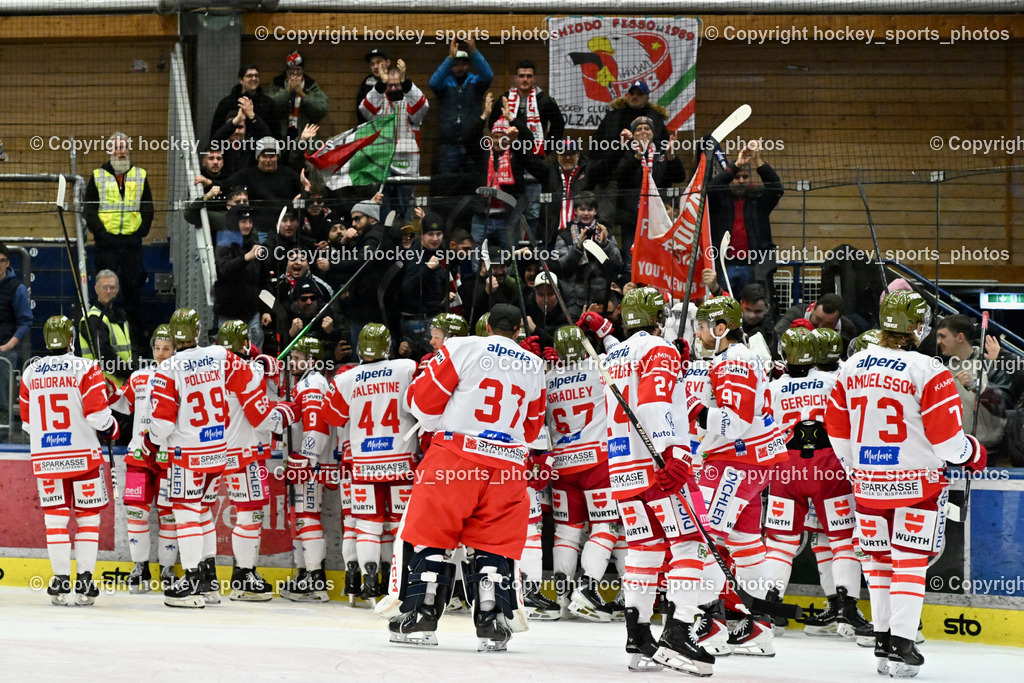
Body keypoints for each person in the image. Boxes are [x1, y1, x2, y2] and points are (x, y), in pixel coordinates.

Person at [825, 291, 987, 677]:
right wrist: (974, 453)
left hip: (868, 488)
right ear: (919, 326)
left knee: (878, 565)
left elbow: (835, 427)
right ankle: (902, 643)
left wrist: (856, 467)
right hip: (917, 487)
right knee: (909, 565)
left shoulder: (852, 366)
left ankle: (882, 643)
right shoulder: (929, 370)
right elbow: (949, 443)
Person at [385, 303, 546, 651]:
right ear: (519, 330)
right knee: (494, 544)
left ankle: (420, 617)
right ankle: (492, 619)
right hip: (509, 466)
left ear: (487, 325)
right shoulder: (534, 364)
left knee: (431, 534)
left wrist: (434, 426)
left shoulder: (463, 345)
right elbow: (532, 429)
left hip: (456, 456)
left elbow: (423, 403)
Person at [603, 287, 719, 674]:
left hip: (622, 468)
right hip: (657, 467)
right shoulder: (659, 349)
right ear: (659, 315)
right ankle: (679, 633)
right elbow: (654, 402)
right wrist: (674, 451)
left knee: (644, 550)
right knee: (690, 544)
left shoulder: (613, 353)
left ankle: (638, 638)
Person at [146, 308, 278, 608]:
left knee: (187, 512)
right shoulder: (220, 355)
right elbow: (248, 382)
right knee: (202, 510)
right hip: (218, 451)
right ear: (197, 331)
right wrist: (261, 365)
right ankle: (207, 581)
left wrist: (152, 440)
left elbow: (163, 423)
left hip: (187, 453)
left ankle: (193, 578)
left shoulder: (168, 368)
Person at [692, 295, 788, 656]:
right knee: (746, 547)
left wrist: (697, 410)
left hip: (735, 462)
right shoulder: (734, 358)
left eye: (702, 327)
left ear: (720, 329)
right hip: (751, 462)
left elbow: (734, 422)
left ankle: (709, 626)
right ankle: (759, 629)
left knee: (708, 540)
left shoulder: (734, 362)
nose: (698, 333)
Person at [763, 327, 866, 636]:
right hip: (829, 465)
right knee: (842, 541)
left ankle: (771, 612)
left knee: (780, 544)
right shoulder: (833, 381)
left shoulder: (772, 388)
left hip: (786, 466)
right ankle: (845, 611)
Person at [20, 315, 119, 605]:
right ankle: (85, 581)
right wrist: (112, 427)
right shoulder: (87, 367)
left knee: (55, 521)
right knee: (88, 520)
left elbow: (27, 423)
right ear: (71, 339)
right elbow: (98, 417)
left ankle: (61, 581)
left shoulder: (30, 372)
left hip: (47, 458)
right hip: (83, 458)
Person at [324, 323, 418, 602]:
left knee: (367, 525)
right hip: (401, 462)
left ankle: (367, 585)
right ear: (387, 345)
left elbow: (333, 418)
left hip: (363, 464)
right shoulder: (408, 368)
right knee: (398, 525)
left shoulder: (345, 379)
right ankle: (397, 582)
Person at [545, 325, 624, 622]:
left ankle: (562, 599)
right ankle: (587, 591)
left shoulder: (548, 377)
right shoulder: (599, 369)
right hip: (597, 461)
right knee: (606, 525)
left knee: (566, 533)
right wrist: (605, 332)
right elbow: (624, 356)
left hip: (562, 464)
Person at [217, 320, 294, 601]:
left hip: (216, 451)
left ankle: (217, 573)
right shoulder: (247, 371)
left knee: (202, 517)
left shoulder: (211, 367)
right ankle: (243, 575)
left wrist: (260, 363)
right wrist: (287, 412)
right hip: (243, 452)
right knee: (251, 515)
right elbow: (260, 417)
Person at [111, 324, 178, 592]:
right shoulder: (139, 377)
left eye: (167, 349)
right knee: (136, 514)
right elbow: (122, 404)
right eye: (157, 349)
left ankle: (168, 569)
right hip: (139, 456)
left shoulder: (182, 376)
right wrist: (105, 389)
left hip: (168, 459)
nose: (161, 354)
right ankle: (140, 569)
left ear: (175, 349)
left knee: (169, 516)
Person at [279, 336, 336, 603]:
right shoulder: (306, 382)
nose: (293, 362)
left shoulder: (312, 383)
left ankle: (316, 578)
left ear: (312, 361)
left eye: (298, 358)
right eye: (292, 357)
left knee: (306, 517)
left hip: (310, 464)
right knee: (299, 518)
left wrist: (307, 457)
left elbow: (317, 426)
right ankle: (305, 573)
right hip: (304, 461)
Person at [83, 132, 153, 342]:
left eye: (124, 147)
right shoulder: (97, 176)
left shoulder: (140, 175)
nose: (121, 151)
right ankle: (102, 337)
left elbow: (148, 208)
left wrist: (140, 233)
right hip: (106, 245)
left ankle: (135, 342)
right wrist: (101, 235)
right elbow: (89, 210)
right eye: (117, 147)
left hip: (132, 245)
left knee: (133, 292)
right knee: (106, 291)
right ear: (109, 151)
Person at [707, 140, 783, 295]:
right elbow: (709, 189)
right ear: (730, 179)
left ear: (750, 178)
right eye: (737, 177)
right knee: (723, 305)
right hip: (724, 265)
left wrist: (759, 161)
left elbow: (776, 187)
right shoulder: (719, 199)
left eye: (745, 177)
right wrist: (734, 166)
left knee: (751, 306)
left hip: (753, 265)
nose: (741, 181)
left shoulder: (759, 200)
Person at [360, 60, 430, 221]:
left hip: (407, 162)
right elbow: (364, 108)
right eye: (389, 85)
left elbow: (423, 106)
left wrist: (406, 82)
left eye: (397, 85)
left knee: (405, 206)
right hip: (383, 160)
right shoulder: (380, 101)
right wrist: (380, 84)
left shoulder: (410, 101)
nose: (393, 88)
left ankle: (405, 240)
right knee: (383, 204)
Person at [935, 314, 1012, 450]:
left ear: (960, 337)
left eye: (943, 336)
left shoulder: (991, 365)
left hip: (989, 451)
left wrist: (975, 386)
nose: (938, 342)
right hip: (953, 450)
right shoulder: (942, 371)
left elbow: (1005, 405)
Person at [429, 39, 493, 176]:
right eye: (456, 64)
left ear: (468, 66)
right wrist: (450, 58)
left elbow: (488, 76)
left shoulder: (475, 83)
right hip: (448, 145)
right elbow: (433, 82)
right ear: (452, 66)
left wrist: (474, 53)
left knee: (474, 188)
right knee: (447, 186)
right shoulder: (444, 84)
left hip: (473, 145)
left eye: (463, 64)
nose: (460, 67)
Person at [549, 191, 623, 309]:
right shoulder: (565, 235)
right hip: (575, 296)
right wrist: (577, 247)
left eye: (590, 209)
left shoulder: (604, 232)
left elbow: (618, 264)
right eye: (582, 209)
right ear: (575, 211)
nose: (586, 213)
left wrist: (605, 244)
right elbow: (562, 268)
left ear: (595, 211)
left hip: (602, 294)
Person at [214, 205, 269, 351]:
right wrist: (246, 258)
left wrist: (267, 310)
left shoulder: (255, 246)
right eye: (243, 221)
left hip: (252, 312)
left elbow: (264, 281)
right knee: (228, 354)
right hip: (229, 313)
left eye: (250, 222)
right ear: (234, 222)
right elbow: (224, 269)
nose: (248, 225)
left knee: (255, 351)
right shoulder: (224, 244)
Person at [79, 270, 135, 386]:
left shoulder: (121, 318)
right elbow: (104, 355)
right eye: (105, 287)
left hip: (122, 386)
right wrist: (130, 373)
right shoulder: (92, 319)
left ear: (118, 290)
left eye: (113, 287)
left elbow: (131, 349)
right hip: (101, 386)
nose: (109, 291)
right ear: (96, 289)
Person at [0, 242, 31, 430]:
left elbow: (25, 322)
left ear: (7, 263)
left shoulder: (16, 288)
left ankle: (3, 412)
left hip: (5, 346)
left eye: (1, 261)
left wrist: (7, 346)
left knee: (3, 361)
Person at [266, 51, 328, 142]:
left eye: (298, 69)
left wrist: (302, 94)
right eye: (292, 69)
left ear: (303, 70)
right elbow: (269, 107)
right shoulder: (277, 84)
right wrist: (287, 91)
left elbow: (321, 109)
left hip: (304, 135)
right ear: (286, 70)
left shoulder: (310, 85)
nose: (295, 73)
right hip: (280, 135)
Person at [775, 293, 861, 355]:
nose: (820, 326)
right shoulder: (796, 314)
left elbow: (852, 358)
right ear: (813, 308)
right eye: (818, 319)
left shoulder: (847, 329)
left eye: (828, 324)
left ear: (838, 320)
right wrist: (797, 338)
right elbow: (776, 341)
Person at [210, 64, 279, 141]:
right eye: (249, 76)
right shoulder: (227, 103)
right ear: (241, 80)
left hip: (259, 148)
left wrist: (253, 116)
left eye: (256, 76)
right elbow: (215, 132)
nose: (254, 78)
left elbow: (275, 133)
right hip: (231, 149)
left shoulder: (268, 103)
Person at [357, 48, 390, 124]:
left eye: (378, 62)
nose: (375, 66)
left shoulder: (396, 79)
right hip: (372, 126)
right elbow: (362, 108)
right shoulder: (368, 82)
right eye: (372, 64)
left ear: (388, 62)